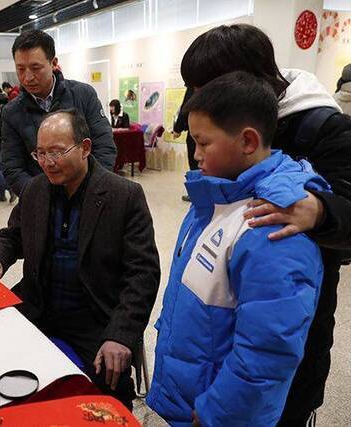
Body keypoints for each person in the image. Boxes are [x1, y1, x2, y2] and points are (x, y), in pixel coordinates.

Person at [180, 24, 351, 426]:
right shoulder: (212, 111)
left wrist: (321, 210)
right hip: (217, 290)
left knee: (275, 398)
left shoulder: (323, 127)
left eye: (204, 87)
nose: (197, 99)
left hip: (287, 303)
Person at [147, 71, 326, 426]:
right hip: (193, 393)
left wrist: (219, 412)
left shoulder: (270, 222)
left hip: (218, 412)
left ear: (247, 141)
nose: (195, 155)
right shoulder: (216, 198)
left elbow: (268, 349)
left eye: (203, 142)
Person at [0, 109, 160, 410]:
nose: (47, 162)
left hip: (93, 317)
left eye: (57, 152)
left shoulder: (124, 196)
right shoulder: (35, 189)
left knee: (108, 399)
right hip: (37, 306)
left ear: (85, 148)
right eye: (40, 153)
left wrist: (121, 336)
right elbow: (13, 235)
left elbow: (143, 274)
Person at [1, 30, 117, 196]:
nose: (27, 78)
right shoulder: (11, 112)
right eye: (20, 69)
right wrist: (41, 198)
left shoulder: (83, 95)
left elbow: (104, 147)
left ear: (53, 62)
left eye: (36, 68)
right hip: (40, 201)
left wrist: (89, 190)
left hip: (88, 194)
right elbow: (12, 167)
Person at [172, 87, 197, 202]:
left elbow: (185, 109)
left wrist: (177, 129)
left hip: (196, 132)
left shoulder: (194, 87)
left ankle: (196, 194)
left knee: (195, 163)